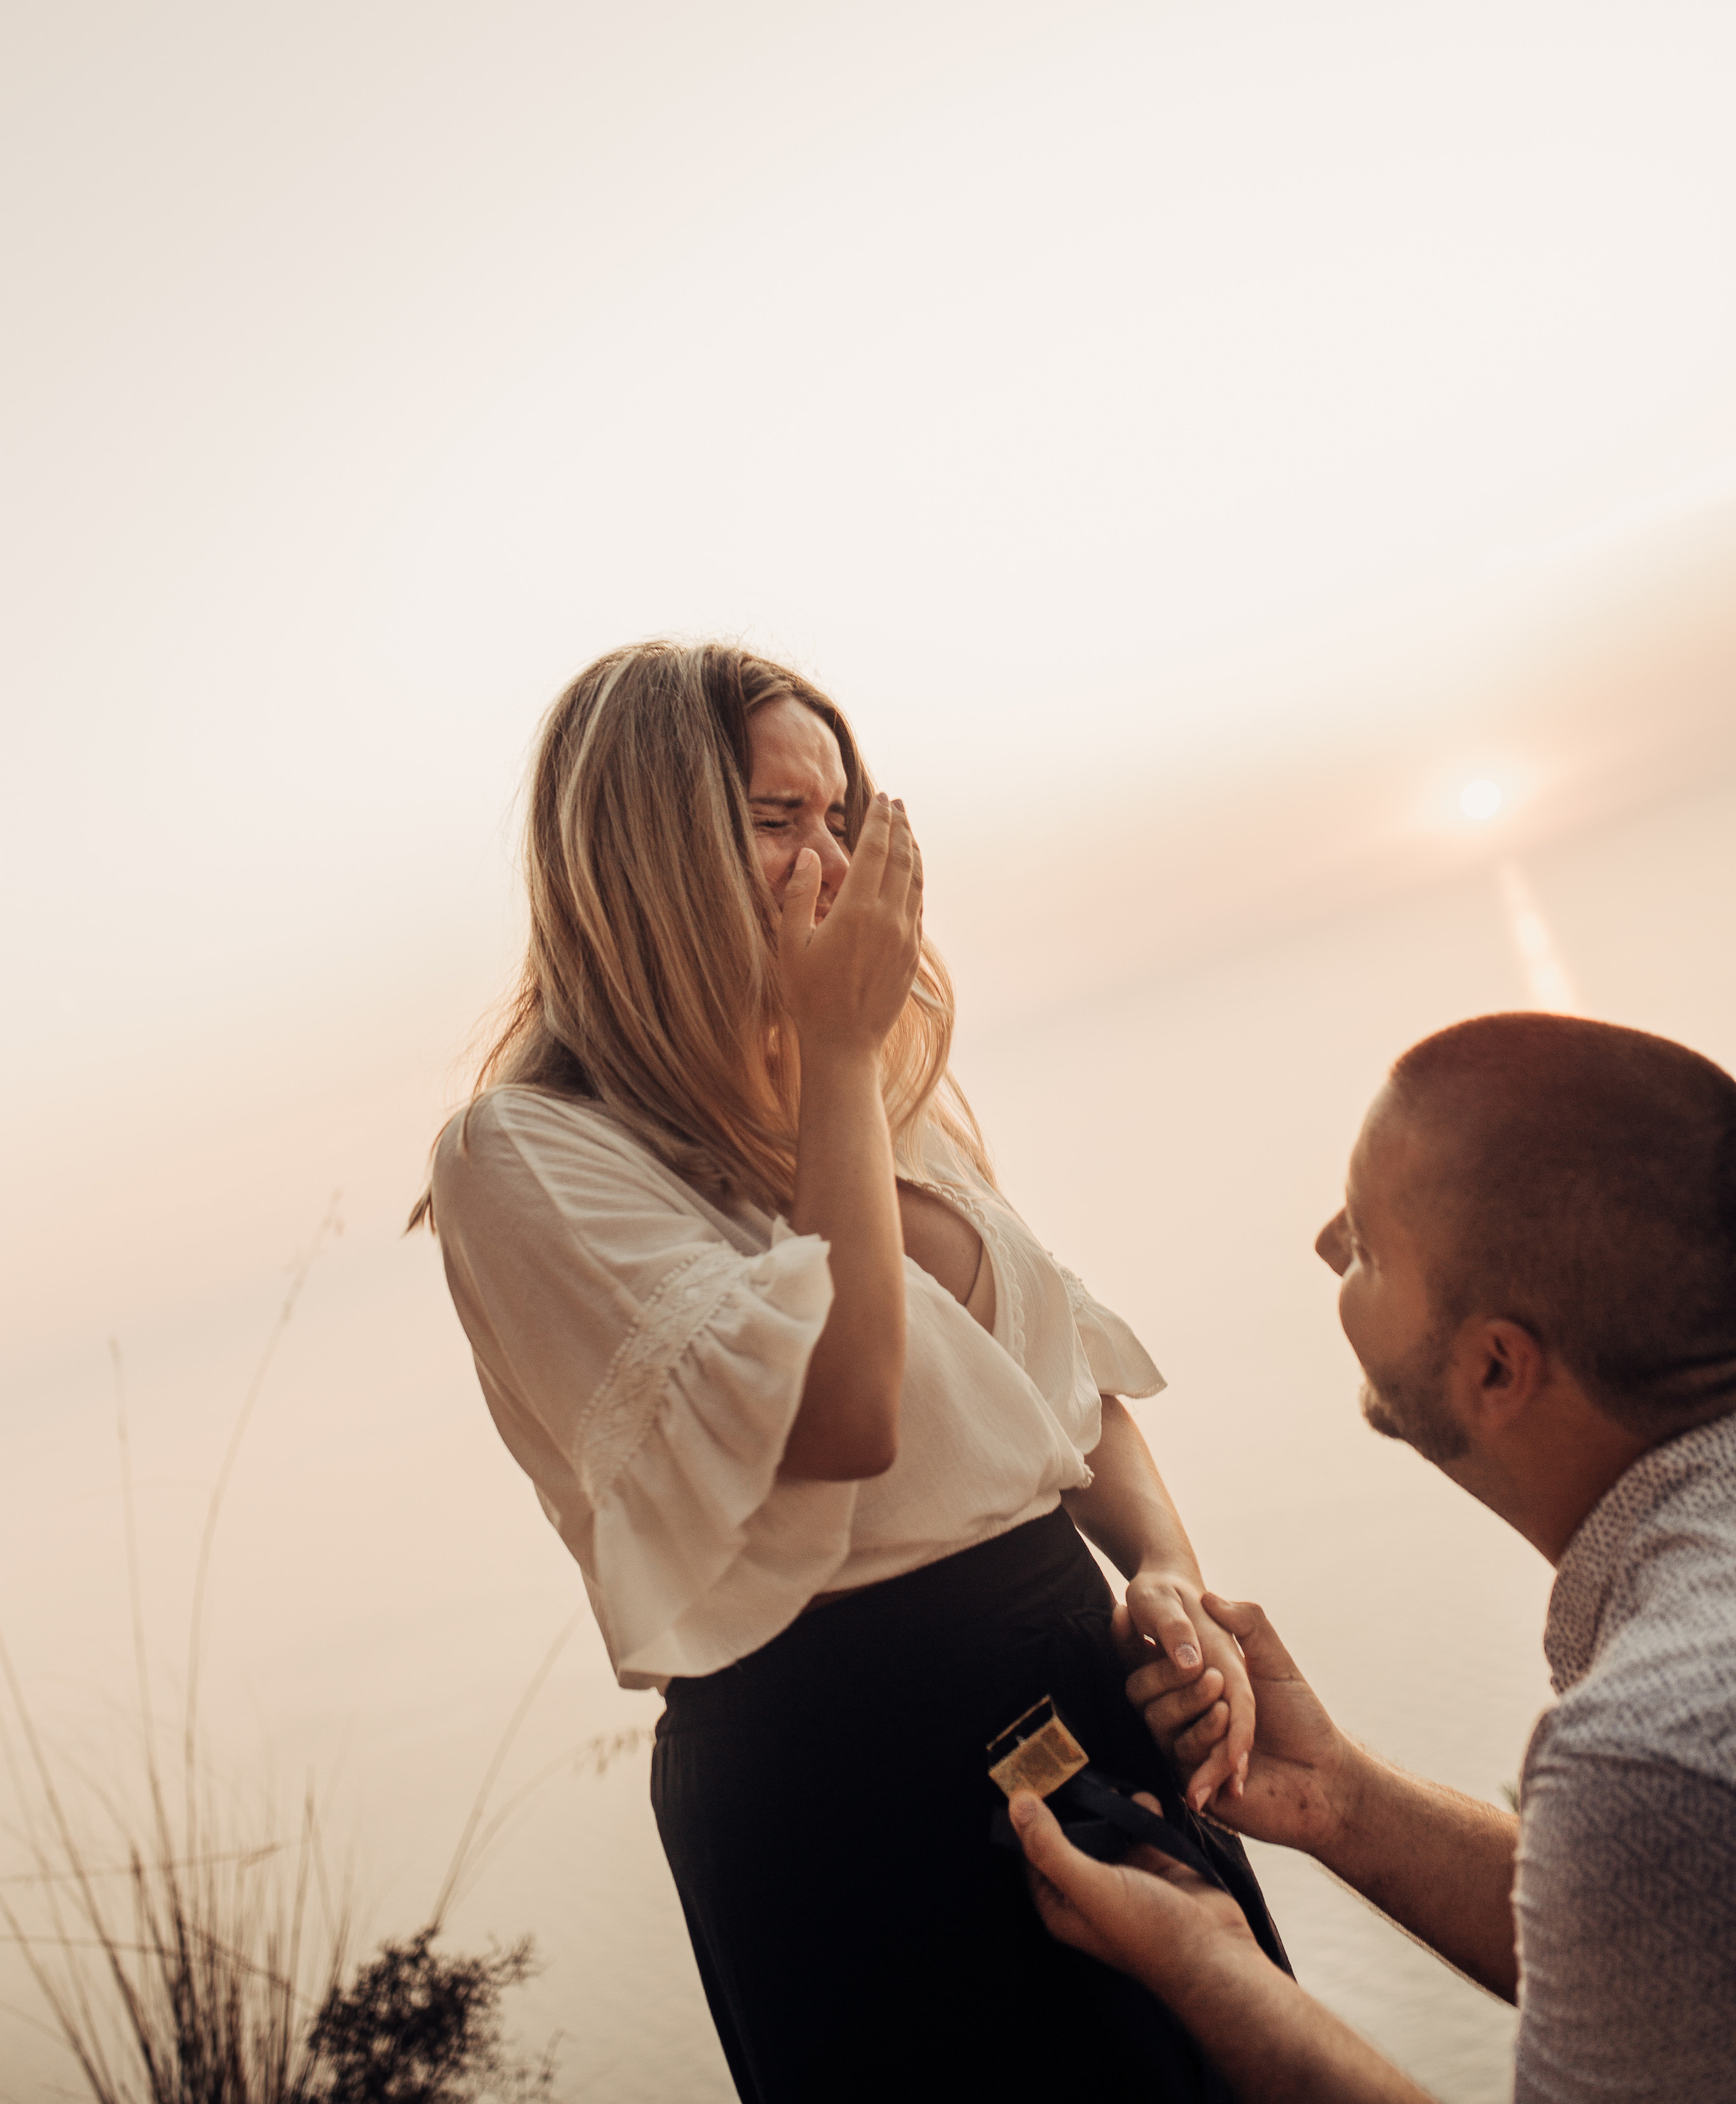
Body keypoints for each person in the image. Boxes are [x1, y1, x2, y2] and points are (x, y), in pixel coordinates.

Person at [416, 642, 1288, 2104]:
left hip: (1083, 1685)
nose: (826, 857)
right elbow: (844, 1417)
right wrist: (832, 1048)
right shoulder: (521, 1157)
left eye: (842, 814)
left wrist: (1166, 1582)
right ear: (645, 846)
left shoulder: (891, 1107)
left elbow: (1071, 1394)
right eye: (774, 817)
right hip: (848, 1784)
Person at [1010, 1011, 1736, 2102]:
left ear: (1498, 1368)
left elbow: (1658, 1826)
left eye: (1370, 1245)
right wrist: (1342, 1800)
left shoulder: (1644, 1751)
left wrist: (1213, 1970)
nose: (1324, 1246)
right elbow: (1684, 1935)